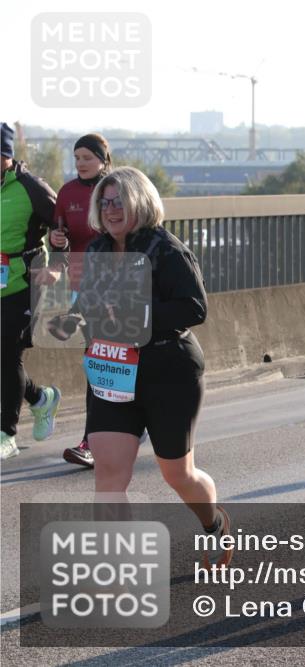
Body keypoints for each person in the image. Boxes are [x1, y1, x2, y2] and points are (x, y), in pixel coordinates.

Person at [49, 166, 233, 566]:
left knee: (177, 475)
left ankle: (213, 523)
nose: (112, 209)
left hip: (168, 369)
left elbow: (194, 307)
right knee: (109, 478)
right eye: (105, 201)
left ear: (141, 202)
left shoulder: (166, 249)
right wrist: (65, 320)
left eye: (120, 200)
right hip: (113, 368)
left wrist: (137, 315)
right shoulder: (96, 250)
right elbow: (90, 304)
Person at [47, 134, 113, 468]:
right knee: (97, 363)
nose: (80, 163)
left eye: (87, 156)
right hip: (81, 288)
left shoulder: (117, 189)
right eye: (76, 157)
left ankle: (128, 423)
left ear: (103, 158)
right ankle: (93, 441)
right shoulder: (68, 193)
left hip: (119, 289)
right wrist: (56, 239)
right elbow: (59, 237)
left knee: (117, 360)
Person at [1, 121, 61, 461]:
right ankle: (41, 399)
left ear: (7, 155)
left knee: (8, 354)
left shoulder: (30, 187)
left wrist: (56, 267)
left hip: (24, 282)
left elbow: (62, 224)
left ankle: (6, 433)